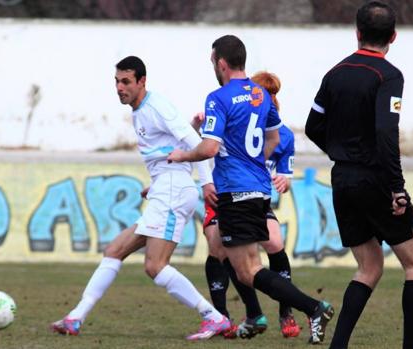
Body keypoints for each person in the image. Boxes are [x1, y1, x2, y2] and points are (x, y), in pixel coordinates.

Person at [168, 35, 334, 345]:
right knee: (243, 266)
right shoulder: (260, 95)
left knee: (247, 269)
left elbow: (208, 148)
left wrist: (182, 155)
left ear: (221, 63)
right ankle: (262, 315)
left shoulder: (218, 97)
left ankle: (314, 308)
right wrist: (254, 162)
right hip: (259, 191)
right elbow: (273, 138)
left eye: (212, 63)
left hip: (235, 192)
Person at [51, 56, 231, 341]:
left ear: (142, 81)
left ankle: (215, 318)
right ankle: (75, 317)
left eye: (126, 82)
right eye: (116, 82)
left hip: (173, 192)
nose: (120, 88)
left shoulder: (157, 107)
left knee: (154, 265)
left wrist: (206, 184)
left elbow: (197, 146)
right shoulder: (139, 111)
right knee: (114, 251)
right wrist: (157, 182)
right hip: (165, 188)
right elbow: (172, 148)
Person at [305, 2, 413, 349]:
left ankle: (339, 345)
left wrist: (341, 152)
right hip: (375, 180)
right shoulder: (389, 75)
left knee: (369, 267)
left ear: (357, 32)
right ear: (393, 36)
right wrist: (397, 188)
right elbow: (386, 133)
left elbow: (314, 125)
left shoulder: (335, 73)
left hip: (342, 179)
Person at [198, 72, 300, 339]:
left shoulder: (282, 135)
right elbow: (206, 146)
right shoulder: (230, 113)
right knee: (218, 248)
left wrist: (284, 181)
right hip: (225, 194)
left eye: (275, 93)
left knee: (275, 244)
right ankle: (225, 317)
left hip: (254, 198)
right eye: (267, 92)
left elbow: (285, 172)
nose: (272, 98)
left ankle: (285, 312)